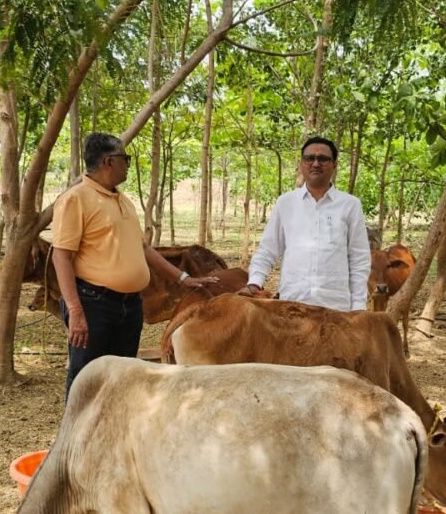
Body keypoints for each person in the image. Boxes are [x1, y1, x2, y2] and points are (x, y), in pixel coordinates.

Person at [52, 132, 214, 399]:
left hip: (128, 306)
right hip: (94, 304)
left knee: (122, 375)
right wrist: (75, 311)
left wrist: (183, 278)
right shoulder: (75, 199)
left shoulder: (121, 199)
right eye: (125, 158)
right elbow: (61, 257)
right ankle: (77, 438)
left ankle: (113, 437)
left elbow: (143, 248)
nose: (128, 164)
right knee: (86, 377)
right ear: (108, 162)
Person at [241, 136, 371, 311]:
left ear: (334, 165)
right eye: (310, 158)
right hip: (293, 306)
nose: (316, 164)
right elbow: (268, 249)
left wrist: (358, 306)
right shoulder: (286, 203)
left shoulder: (350, 205)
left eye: (323, 159)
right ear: (301, 164)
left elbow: (359, 259)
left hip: (336, 308)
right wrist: (254, 283)